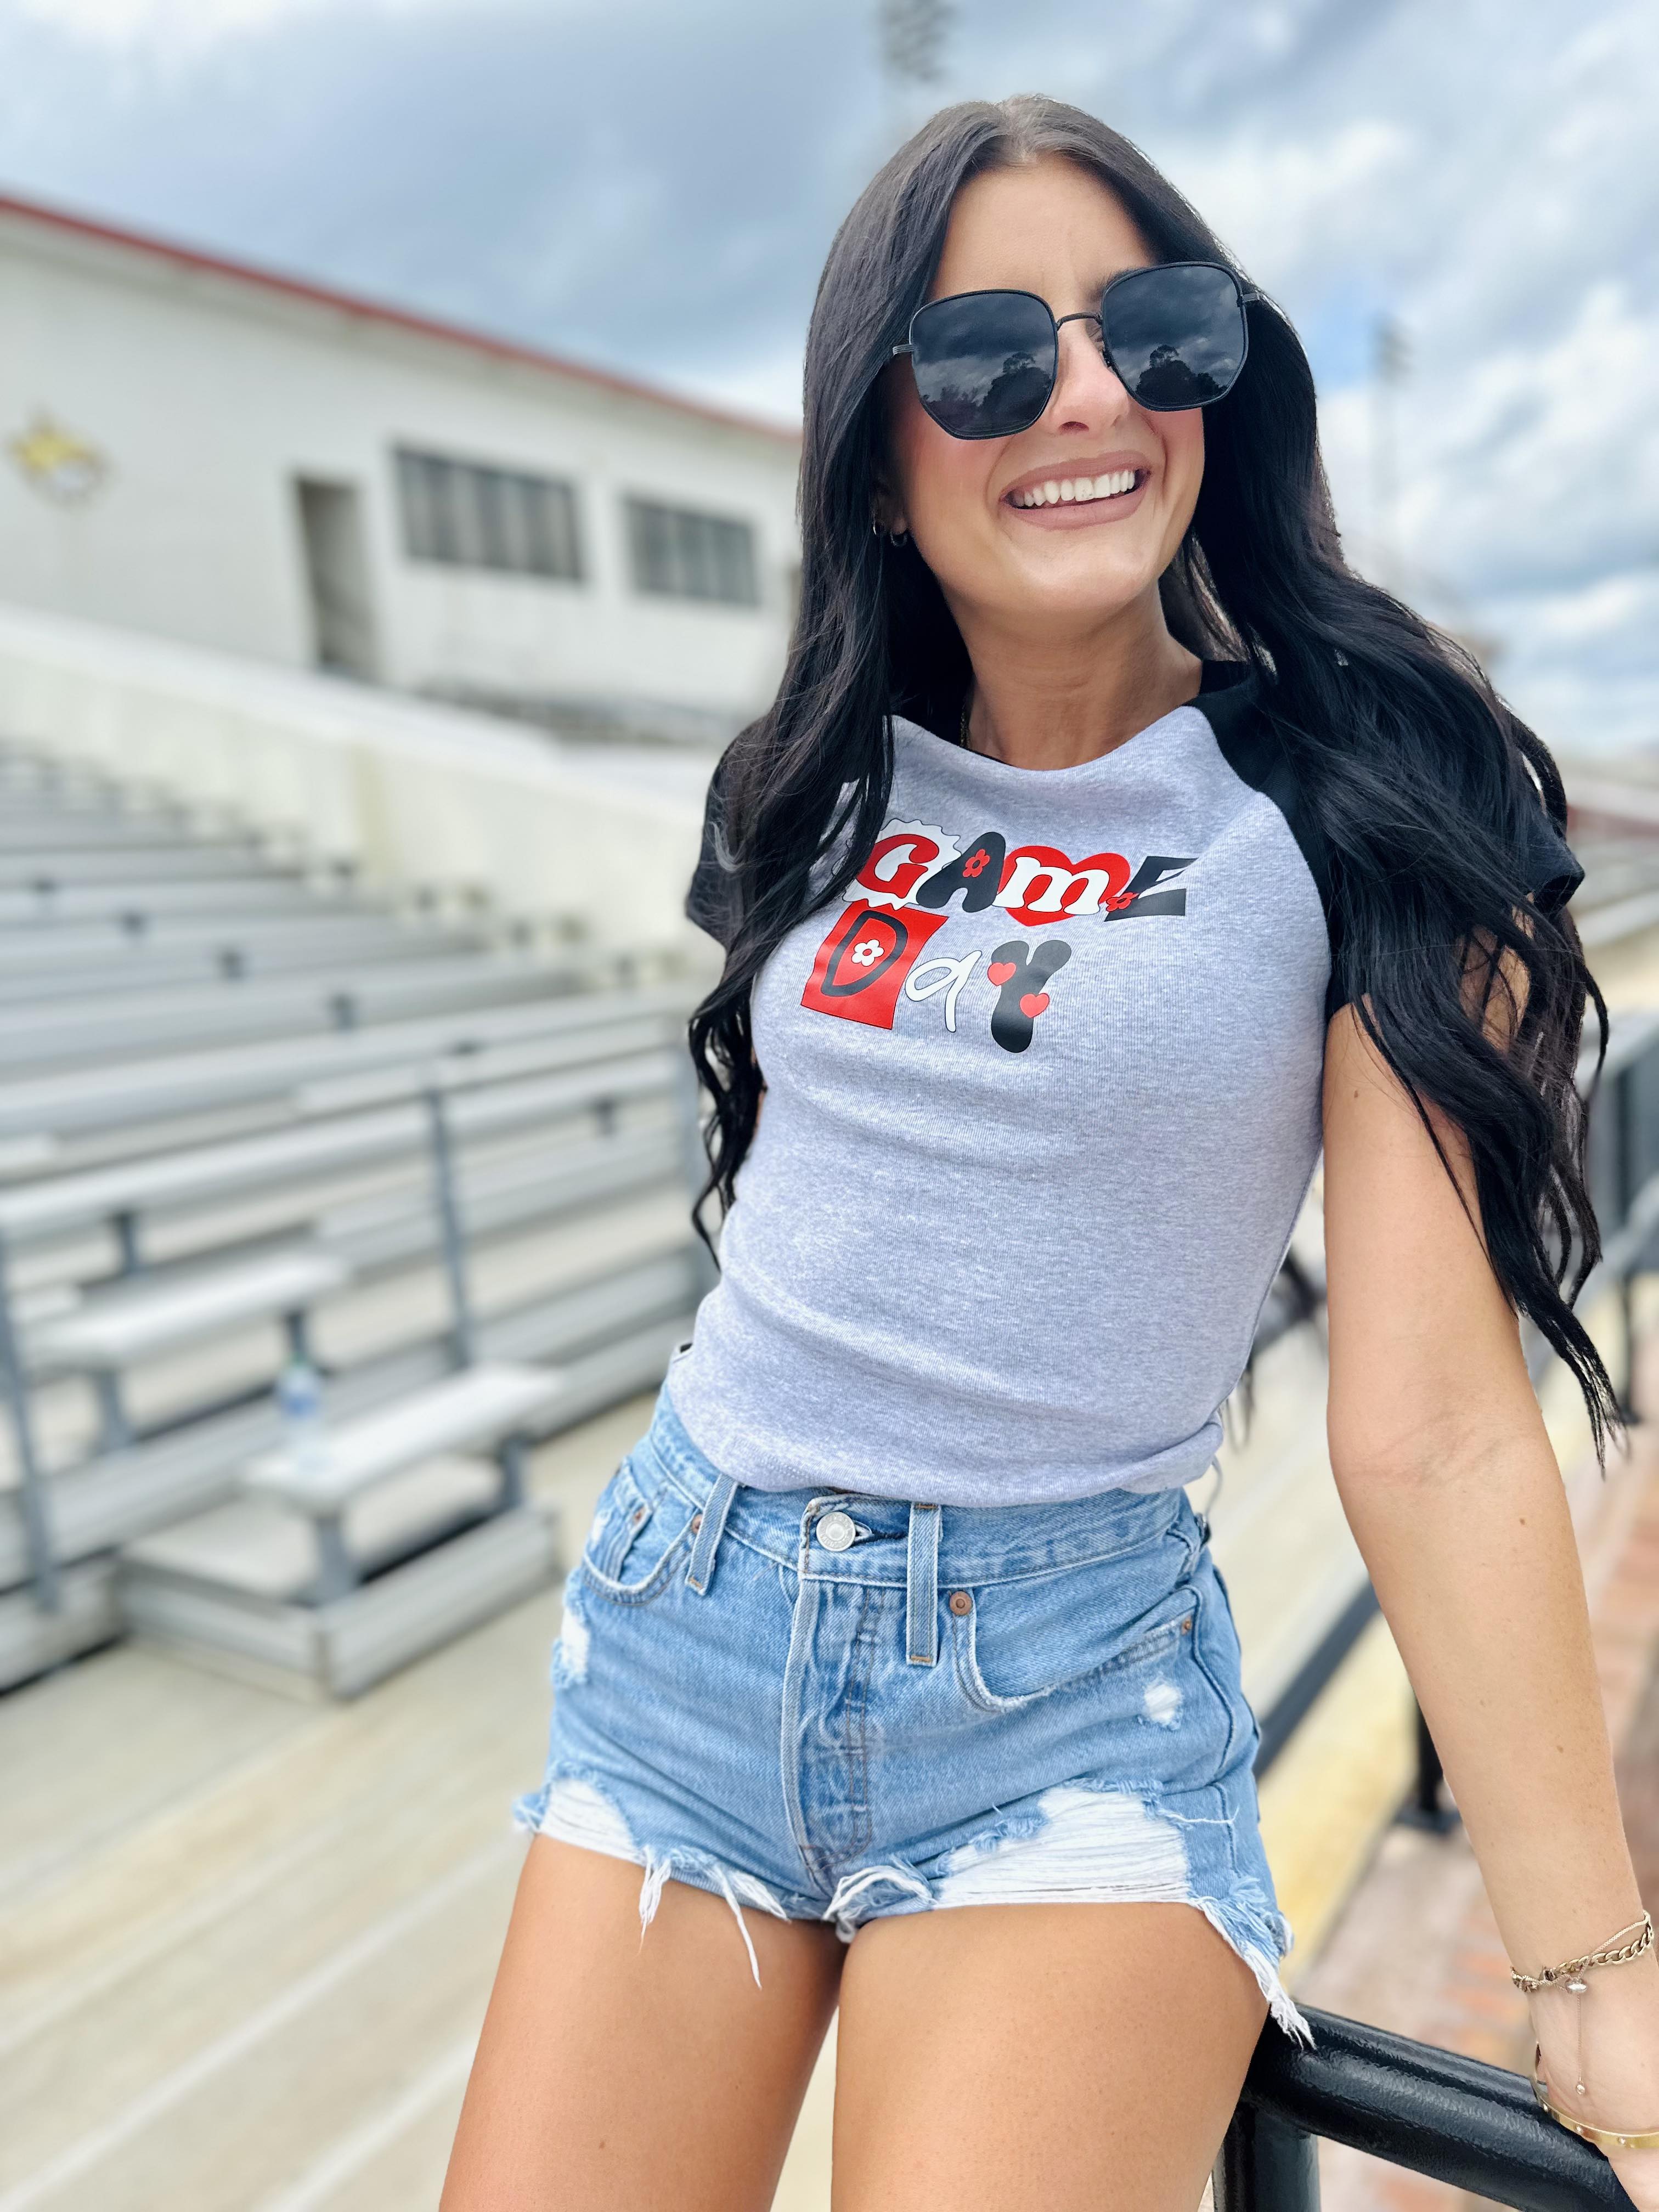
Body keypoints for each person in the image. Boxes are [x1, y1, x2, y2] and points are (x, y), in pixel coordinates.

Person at [442, 95, 1659, 2211]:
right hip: (682, 1620)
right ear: (881, 453)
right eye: (991, 352)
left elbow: (1440, 1425)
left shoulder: (1359, 780)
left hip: (1060, 1686)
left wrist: (1588, 1959)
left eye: (1153, 330)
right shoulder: (805, 783)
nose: (1087, 392)